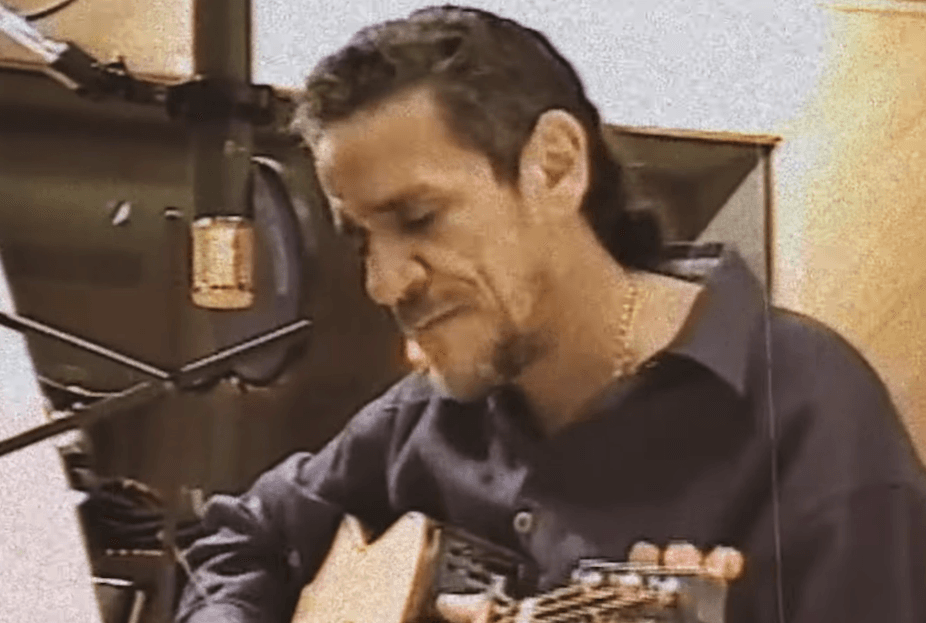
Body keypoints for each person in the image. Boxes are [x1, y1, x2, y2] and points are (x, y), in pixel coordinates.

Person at [175, 6, 926, 623]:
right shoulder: (421, 419)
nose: (383, 282)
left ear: (556, 166)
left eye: (419, 218)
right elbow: (240, 538)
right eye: (361, 238)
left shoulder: (807, 412)